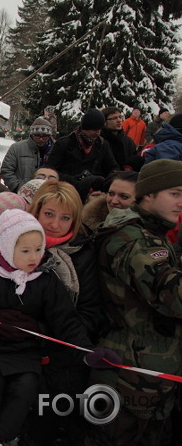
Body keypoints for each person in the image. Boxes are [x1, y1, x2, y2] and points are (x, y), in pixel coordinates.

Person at [0, 209, 114, 446]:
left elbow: (65, 321)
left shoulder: (46, 279)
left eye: (38, 249)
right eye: (25, 251)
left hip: (25, 349)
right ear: (9, 248)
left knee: (26, 386)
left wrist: (86, 352)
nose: (34, 257)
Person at [90, 159, 182, 445]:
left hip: (146, 370)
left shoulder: (148, 233)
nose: (180, 202)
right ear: (149, 194)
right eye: (175, 193)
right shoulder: (135, 240)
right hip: (133, 375)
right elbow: (173, 297)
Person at [25, 181, 102, 444]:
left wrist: (52, 338)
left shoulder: (83, 254)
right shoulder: (15, 243)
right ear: (36, 211)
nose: (55, 224)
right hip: (15, 350)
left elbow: (90, 312)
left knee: (43, 429)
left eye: (65, 217)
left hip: (62, 359)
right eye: (49, 214)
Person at [46, 108, 118, 182]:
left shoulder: (102, 145)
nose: (98, 133)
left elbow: (112, 168)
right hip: (67, 189)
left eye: (100, 129)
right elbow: (50, 171)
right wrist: (74, 180)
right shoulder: (63, 144)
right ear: (85, 128)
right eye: (94, 130)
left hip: (94, 190)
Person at [0, 117, 55, 192]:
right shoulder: (17, 148)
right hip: (21, 195)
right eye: (37, 136)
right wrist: (17, 187)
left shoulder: (55, 150)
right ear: (32, 135)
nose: (41, 139)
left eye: (44, 136)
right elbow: (6, 170)